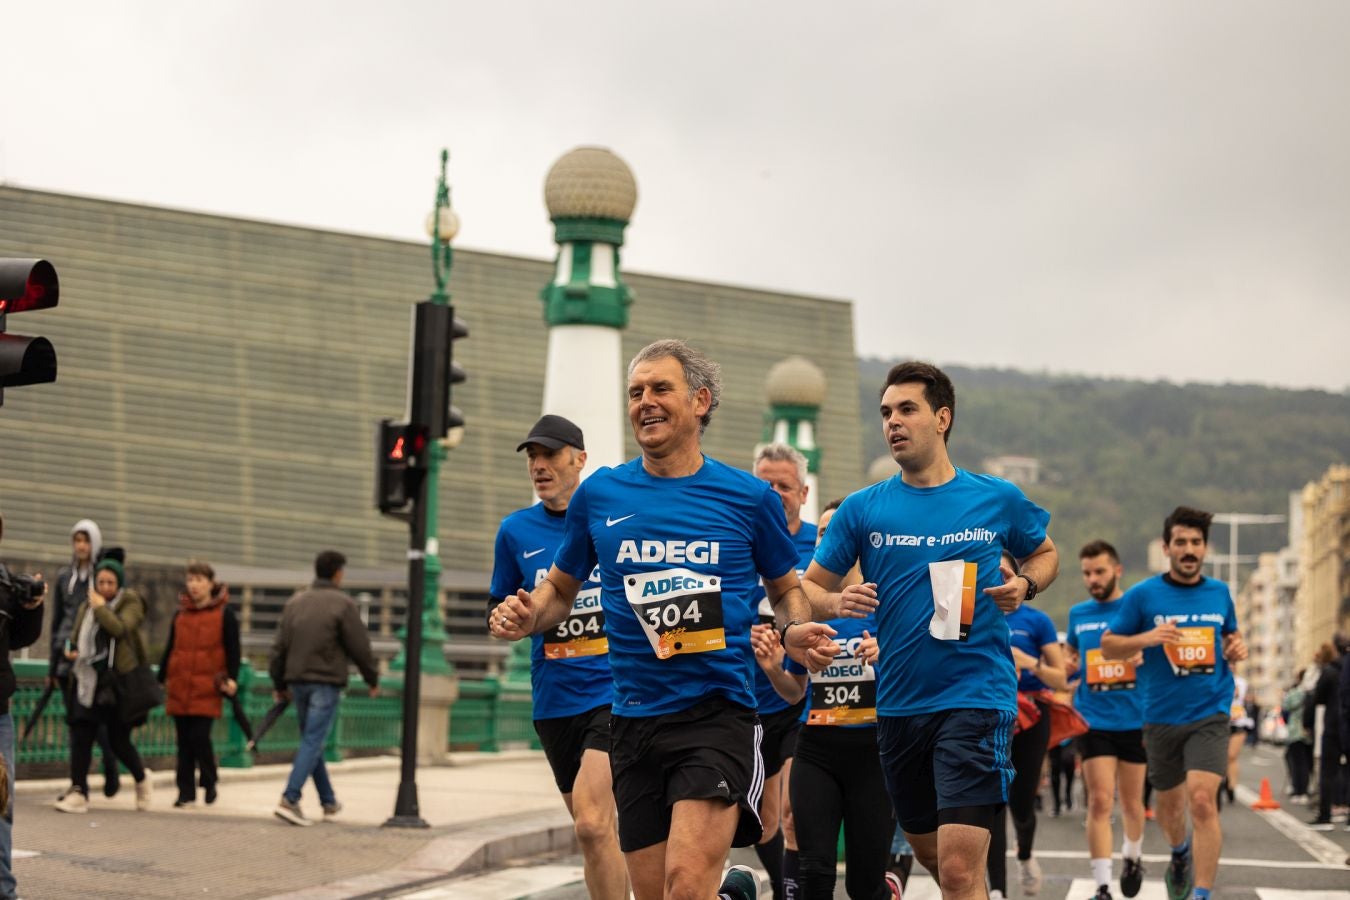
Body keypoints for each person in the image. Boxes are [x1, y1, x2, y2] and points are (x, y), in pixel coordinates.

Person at [491, 339, 838, 900]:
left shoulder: (748, 498)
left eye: (659, 389)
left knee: (684, 885)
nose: (644, 402)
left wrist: (796, 631)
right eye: (635, 392)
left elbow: (786, 591)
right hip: (632, 717)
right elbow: (559, 588)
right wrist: (527, 614)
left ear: (700, 401)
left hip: (716, 715)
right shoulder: (600, 494)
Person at [803, 361, 1059, 900]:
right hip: (898, 707)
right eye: (886, 412)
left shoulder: (995, 498)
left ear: (942, 418)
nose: (892, 421)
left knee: (962, 870)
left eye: (907, 410)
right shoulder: (862, 509)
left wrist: (1026, 586)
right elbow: (808, 589)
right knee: (932, 856)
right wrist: (835, 599)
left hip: (974, 697)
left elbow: (1044, 552)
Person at [488, 414, 626, 900]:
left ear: (580, 459)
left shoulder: (610, 522)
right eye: (532, 457)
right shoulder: (515, 531)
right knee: (596, 831)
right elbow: (499, 605)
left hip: (614, 694)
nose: (539, 465)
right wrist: (504, 620)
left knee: (592, 823)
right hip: (554, 701)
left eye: (549, 454)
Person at [1101, 506, 1247, 900]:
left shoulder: (1220, 593)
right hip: (1160, 715)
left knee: (1202, 800)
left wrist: (1237, 645)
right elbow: (1109, 645)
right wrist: (1146, 639)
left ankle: (1201, 894)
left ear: (1205, 548)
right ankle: (1179, 853)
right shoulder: (1143, 595)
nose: (1188, 550)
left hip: (1210, 711)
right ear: (1166, 547)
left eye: (1195, 543)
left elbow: (1231, 637)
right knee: (1170, 809)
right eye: (1180, 542)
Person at [781, 499, 901, 900]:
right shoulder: (805, 608)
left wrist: (885, 653)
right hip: (816, 749)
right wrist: (775, 663)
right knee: (816, 873)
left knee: (865, 884)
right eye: (821, 533)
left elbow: (920, 668)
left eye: (835, 532)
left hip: (874, 751)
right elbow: (794, 689)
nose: (825, 540)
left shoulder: (883, 601)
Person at [750, 442, 817, 900]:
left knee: (795, 813)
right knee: (763, 823)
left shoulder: (822, 545)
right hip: (747, 699)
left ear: (804, 492)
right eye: (765, 485)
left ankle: (795, 892)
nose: (774, 494)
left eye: (784, 486)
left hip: (801, 697)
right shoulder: (736, 534)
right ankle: (781, 885)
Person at [269, 550, 380, 827]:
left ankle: (328, 802)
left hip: (297, 681)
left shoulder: (295, 602)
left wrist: (279, 684)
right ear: (338, 573)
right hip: (325, 682)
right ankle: (290, 798)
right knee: (313, 741)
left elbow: (278, 648)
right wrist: (372, 678)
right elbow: (360, 647)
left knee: (311, 740)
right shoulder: (343, 604)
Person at [1067, 539, 1147, 900]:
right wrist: (1069, 663)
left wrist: (1145, 655)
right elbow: (1071, 652)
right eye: (1087, 573)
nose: (1093, 579)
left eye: (1099, 571)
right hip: (1094, 718)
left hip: (1135, 719)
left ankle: (1132, 856)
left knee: (1132, 803)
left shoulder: (1137, 608)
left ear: (1117, 570)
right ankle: (1102, 886)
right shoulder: (1078, 614)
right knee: (1100, 801)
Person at [987, 551, 1068, 900]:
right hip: (989, 714)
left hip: (1032, 716)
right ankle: (998, 891)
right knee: (993, 802)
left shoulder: (1037, 622)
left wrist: (1029, 662)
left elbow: (1062, 678)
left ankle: (1024, 855)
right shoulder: (970, 615)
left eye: (1003, 570)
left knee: (1021, 803)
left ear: (1016, 575)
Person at [53, 556, 154, 814]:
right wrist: (71, 650)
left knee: (119, 740)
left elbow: (121, 629)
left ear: (118, 583)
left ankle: (141, 779)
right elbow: (74, 636)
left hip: (115, 681)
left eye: (110, 582)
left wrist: (100, 608)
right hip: (87, 679)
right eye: (101, 582)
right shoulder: (87, 605)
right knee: (81, 735)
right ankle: (79, 791)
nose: (105, 587)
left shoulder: (130, 602)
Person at [47, 519, 120, 799]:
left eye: (86, 540)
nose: (81, 546)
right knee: (76, 723)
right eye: (77, 540)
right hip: (66, 658)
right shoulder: (65, 578)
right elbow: (58, 620)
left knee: (93, 721)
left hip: (93, 660)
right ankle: (79, 784)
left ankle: (109, 764)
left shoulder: (100, 577)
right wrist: (55, 662)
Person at [158, 560, 240, 807]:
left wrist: (232, 679)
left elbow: (233, 649)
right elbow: (170, 649)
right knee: (183, 741)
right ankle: (185, 792)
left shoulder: (225, 615)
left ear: (211, 584)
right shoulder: (180, 615)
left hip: (208, 686)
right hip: (181, 684)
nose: (193, 585)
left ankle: (209, 779)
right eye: (190, 579)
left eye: (199, 580)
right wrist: (160, 678)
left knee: (200, 738)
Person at [0, 512, 47, 900]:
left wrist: (33, 608)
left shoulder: (4, 583)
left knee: (1, 802)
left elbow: (18, 639)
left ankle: (3, 888)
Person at [1304, 639, 1346, 830]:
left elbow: (1317, 698)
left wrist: (1308, 723)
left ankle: (1325, 815)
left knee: (1328, 771)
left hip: (1334, 723)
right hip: (1342, 722)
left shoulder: (1329, 672)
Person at [1281, 668, 1313, 805]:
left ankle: (1298, 790)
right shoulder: (1311, 692)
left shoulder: (1295, 693)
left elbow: (1285, 707)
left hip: (1295, 732)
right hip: (1309, 732)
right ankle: (1305, 790)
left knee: (1297, 763)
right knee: (1306, 763)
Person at [1223, 675, 1254, 808]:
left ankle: (1231, 786)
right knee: (1220, 756)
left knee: (1232, 756)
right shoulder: (1216, 677)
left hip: (1238, 723)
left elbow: (1250, 700)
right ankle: (1222, 781)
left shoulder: (1243, 682)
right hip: (1220, 723)